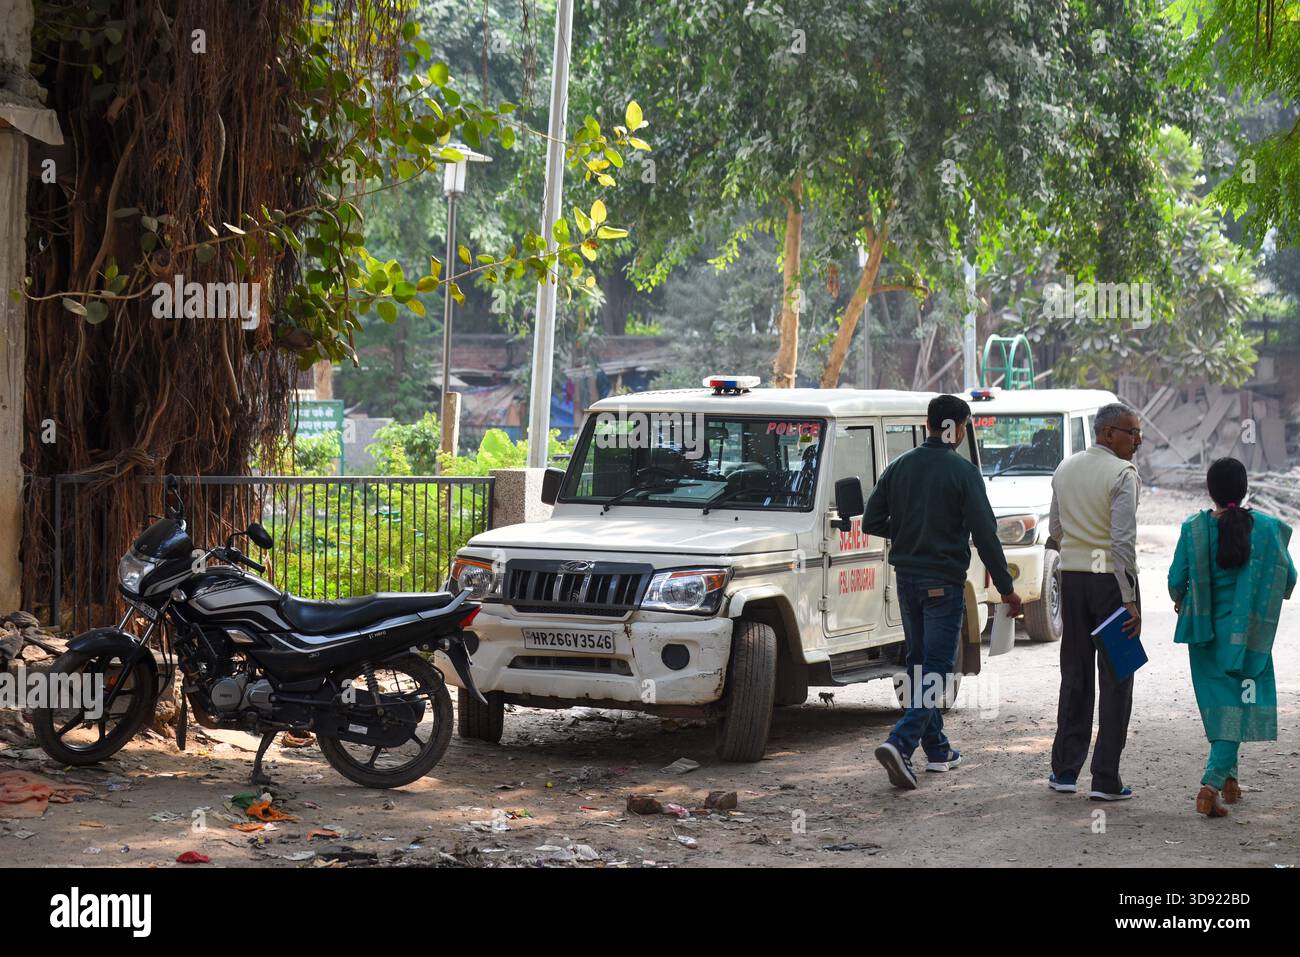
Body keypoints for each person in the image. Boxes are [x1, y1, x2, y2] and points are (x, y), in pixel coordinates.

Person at [863, 394, 1023, 790]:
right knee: (936, 667)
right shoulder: (963, 472)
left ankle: (937, 750)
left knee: (919, 664)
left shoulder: (899, 467)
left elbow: (871, 520)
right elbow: (986, 535)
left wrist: (907, 533)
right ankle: (901, 743)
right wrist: (1007, 589)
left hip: (906, 580)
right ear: (957, 427)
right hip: (943, 584)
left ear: (930, 423)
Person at [1168, 458, 1295, 817]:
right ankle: (1211, 785)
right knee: (1237, 707)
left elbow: (1176, 580)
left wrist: (1183, 602)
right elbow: (1288, 579)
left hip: (1205, 637)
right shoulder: (1267, 529)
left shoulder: (1194, 528)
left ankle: (1230, 781)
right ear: (1244, 488)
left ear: (1210, 491)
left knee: (1223, 708)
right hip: (1248, 638)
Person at [1047, 402, 1142, 801]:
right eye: (1130, 432)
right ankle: (1105, 778)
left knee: (1076, 674)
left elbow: (1054, 528)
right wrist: (1131, 599)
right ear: (1107, 433)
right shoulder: (1123, 474)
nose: (1137, 441)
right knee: (1118, 677)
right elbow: (1122, 543)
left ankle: (1064, 772)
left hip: (1073, 582)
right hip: (1109, 587)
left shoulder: (1065, 468)